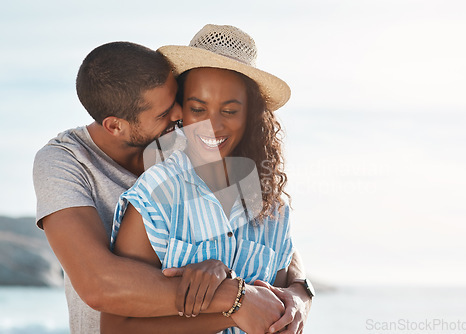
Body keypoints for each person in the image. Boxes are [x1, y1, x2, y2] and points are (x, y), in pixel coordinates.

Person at [32, 39, 311, 334]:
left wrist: (300, 291)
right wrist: (233, 297)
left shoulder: (189, 141)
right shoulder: (64, 161)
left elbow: (271, 240)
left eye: (179, 100)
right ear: (116, 126)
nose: (179, 116)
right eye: (165, 113)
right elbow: (98, 284)